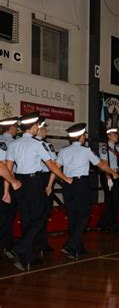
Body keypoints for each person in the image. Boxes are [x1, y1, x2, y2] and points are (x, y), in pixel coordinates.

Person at [4, 112, 71, 271]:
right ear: (33, 127)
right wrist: (65, 178)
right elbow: (51, 166)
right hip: (34, 183)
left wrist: (7, 190)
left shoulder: (13, 144)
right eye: (37, 126)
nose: (37, 128)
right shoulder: (37, 144)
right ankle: (20, 247)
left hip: (19, 183)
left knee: (27, 220)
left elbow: (8, 169)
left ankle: (28, 258)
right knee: (41, 217)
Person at [47, 123, 118, 260]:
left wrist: (50, 185)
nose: (85, 137)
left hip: (67, 185)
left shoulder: (63, 151)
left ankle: (77, 248)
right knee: (84, 215)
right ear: (80, 137)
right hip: (81, 184)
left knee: (73, 216)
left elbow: (55, 169)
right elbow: (101, 164)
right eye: (84, 135)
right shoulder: (86, 151)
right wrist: (112, 172)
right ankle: (71, 244)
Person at [0, 116, 22, 258]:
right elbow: (3, 165)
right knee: (8, 215)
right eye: (16, 127)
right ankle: (8, 246)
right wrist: (12, 182)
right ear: (12, 128)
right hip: (7, 179)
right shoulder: (12, 143)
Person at [35, 117, 57, 254]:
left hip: (33, 179)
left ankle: (40, 242)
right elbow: (53, 165)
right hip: (43, 178)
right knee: (42, 212)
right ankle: (41, 243)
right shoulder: (45, 146)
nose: (45, 131)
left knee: (40, 212)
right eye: (43, 128)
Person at [97, 127, 119, 233]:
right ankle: (111, 225)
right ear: (108, 136)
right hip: (108, 175)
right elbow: (104, 164)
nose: (116, 136)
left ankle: (105, 223)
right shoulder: (104, 148)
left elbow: (118, 163)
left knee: (115, 201)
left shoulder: (118, 149)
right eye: (114, 134)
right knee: (111, 200)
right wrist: (108, 178)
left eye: (117, 134)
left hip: (116, 175)